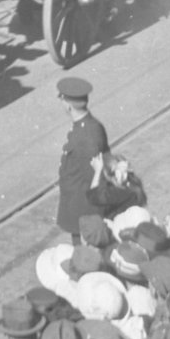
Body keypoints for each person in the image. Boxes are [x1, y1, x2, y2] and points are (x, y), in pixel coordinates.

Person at [55, 76, 111, 240]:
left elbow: (94, 181)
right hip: (80, 208)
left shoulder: (85, 137)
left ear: (68, 105)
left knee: (84, 255)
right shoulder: (89, 126)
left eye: (62, 99)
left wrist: (94, 220)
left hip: (83, 213)